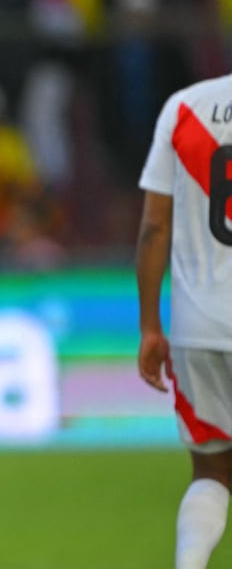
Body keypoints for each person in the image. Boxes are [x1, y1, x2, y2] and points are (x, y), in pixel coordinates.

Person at [137, 72, 232, 569]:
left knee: (212, 470)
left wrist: (150, 326)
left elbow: (154, 227)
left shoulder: (184, 107)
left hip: (198, 328)